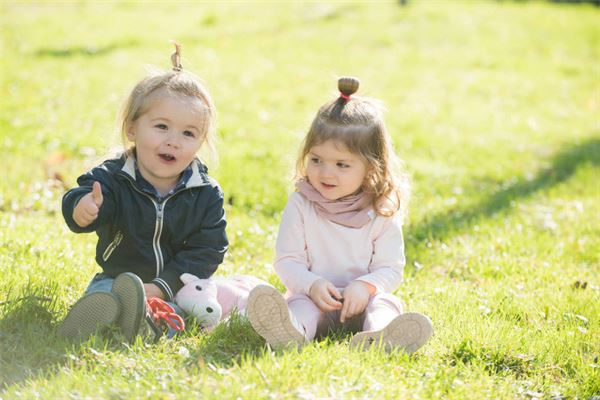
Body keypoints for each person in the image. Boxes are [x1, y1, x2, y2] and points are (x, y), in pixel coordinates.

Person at [246, 77, 432, 353]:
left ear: (371, 169)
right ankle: (292, 333)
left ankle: (379, 337)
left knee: (385, 304)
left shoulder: (381, 209)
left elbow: (390, 268)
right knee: (300, 306)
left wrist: (365, 286)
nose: (325, 173)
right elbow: (287, 260)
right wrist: (312, 284)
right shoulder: (301, 203)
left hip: (363, 302)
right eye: (316, 160)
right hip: (314, 298)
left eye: (342, 164)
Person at [58, 43, 228, 342]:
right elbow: (83, 194)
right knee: (106, 295)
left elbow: (208, 250)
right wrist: (82, 207)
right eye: (162, 127)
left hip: (176, 284)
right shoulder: (113, 178)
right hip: (118, 277)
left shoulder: (205, 193)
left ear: (201, 141)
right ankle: (106, 316)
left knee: (184, 310)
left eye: (188, 133)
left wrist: (163, 285)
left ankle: (148, 323)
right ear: (132, 129)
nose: (174, 141)